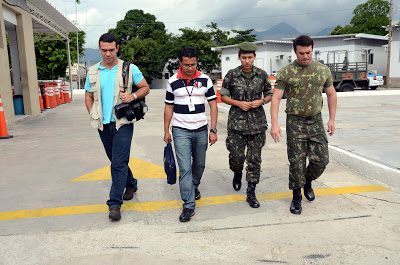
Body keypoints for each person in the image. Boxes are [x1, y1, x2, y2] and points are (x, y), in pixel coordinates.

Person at [84, 33, 150, 221]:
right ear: (99, 49)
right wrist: (92, 113)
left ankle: (114, 204)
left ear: (117, 48)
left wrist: (133, 96)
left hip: (123, 123)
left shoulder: (129, 69)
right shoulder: (93, 71)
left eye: (111, 50)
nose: (108, 54)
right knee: (115, 160)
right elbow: (88, 95)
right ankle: (131, 183)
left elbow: (145, 87)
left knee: (118, 163)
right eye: (104, 50)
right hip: (102, 124)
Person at [270, 35, 337, 215]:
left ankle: (307, 182)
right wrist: (275, 124)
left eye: (308, 52)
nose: (305, 56)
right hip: (295, 122)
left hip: (315, 121)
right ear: (295, 51)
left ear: (312, 49)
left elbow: (331, 94)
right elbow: (276, 98)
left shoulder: (322, 70)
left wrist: (331, 119)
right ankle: (296, 197)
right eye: (301, 53)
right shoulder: (286, 72)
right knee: (296, 162)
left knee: (322, 160)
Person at [164, 47, 218, 222]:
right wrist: (166, 130)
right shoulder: (172, 81)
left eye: (193, 64)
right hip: (180, 130)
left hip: (201, 129)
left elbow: (213, 105)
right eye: (186, 64)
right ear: (180, 62)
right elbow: (169, 106)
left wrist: (213, 130)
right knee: (185, 167)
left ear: (197, 62)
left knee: (200, 165)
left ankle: (194, 186)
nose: (190, 68)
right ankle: (188, 205)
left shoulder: (205, 80)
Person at [219, 42, 273, 208]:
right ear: (239, 57)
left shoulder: (262, 75)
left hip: (257, 125)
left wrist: (262, 101)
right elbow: (223, 96)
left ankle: (251, 191)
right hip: (237, 124)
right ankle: (236, 172)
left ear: (254, 57)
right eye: (244, 57)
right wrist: (238, 103)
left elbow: (270, 94)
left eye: (250, 57)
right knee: (236, 157)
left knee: (254, 160)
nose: (247, 61)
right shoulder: (232, 75)